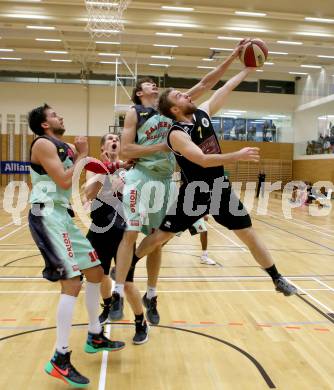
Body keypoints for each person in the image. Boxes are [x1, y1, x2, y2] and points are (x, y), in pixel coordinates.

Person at [113, 40, 251, 324]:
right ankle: (117, 290)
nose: (156, 86)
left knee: (158, 241)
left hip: (165, 181)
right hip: (142, 178)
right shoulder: (135, 113)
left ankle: (151, 294)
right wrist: (160, 148)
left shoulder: (173, 109)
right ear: (140, 92)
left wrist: (233, 58)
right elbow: (126, 151)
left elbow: (207, 82)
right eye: (150, 84)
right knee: (130, 233)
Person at [130, 67, 298, 297]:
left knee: (248, 233)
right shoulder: (176, 134)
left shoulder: (203, 113)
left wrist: (247, 68)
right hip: (195, 193)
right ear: (175, 109)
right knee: (162, 235)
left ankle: (277, 277)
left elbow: (226, 87)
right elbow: (203, 159)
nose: (187, 95)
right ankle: (130, 264)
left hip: (220, 189)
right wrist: (236, 156)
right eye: (180, 96)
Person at [28, 104, 125, 388]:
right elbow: (63, 179)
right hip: (46, 215)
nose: (60, 116)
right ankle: (60, 357)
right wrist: (82, 156)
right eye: (54, 114)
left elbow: (88, 166)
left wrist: (111, 165)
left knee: (95, 271)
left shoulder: (64, 147)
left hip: (63, 216)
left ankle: (95, 334)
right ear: (45, 125)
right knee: (72, 282)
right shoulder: (43, 144)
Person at [85, 133, 149, 344]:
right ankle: (108, 304)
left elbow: (121, 190)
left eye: (117, 138)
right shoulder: (96, 167)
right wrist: (105, 170)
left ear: (121, 146)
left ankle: (141, 321)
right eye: (109, 138)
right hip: (99, 227)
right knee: (99, 275)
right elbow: (89, 194)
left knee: (128, 283)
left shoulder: (131, 168)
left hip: (124, 229)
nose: (114, 140)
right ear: (103, 146)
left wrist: (115, 167)